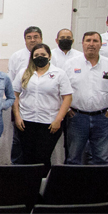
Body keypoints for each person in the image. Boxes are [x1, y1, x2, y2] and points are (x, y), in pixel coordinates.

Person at [13, 43, 72, 174]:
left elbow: (67, 97)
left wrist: (58, 120)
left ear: (49, 56)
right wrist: (17, 116)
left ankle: (43, 184)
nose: (40, 57)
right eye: (36, 55)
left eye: (43, 54)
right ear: (32, 57)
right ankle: (29, 184)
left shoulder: (59, 74)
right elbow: (15, 94)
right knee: (27, 157)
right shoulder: (24, 72)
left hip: (49, 123)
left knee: (43, 157)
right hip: (26, 122)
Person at [64, 32, 108, 164]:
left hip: (103, 118)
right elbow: (61, 89)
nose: (91, 44)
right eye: (88, 40)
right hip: (77, 118)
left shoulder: (107, 64)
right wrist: (67, 110)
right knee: (73, 158)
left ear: (101, 44)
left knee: (102, 158)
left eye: (95, 41)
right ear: (82, 43)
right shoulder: (70, 64)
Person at [8, 26, 42, 164]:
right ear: (25, 40)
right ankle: (17, 171)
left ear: (41, 38)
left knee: (39, 146)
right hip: (20, 107)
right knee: (18, 142)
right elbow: (11, 84)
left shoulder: (47, 55)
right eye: (29, 37)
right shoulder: (16, 57)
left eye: (35, 37)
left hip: (43, 111)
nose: (32, 40)